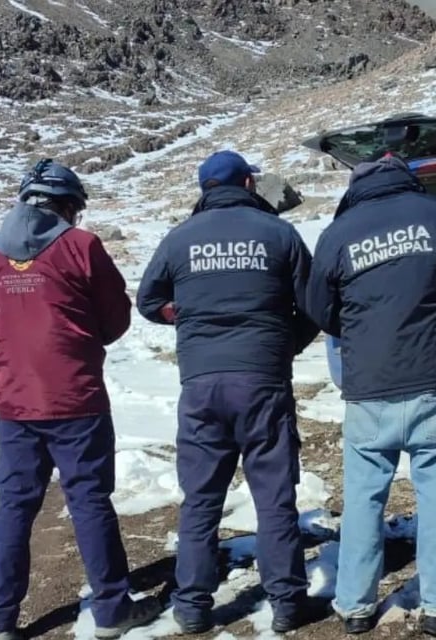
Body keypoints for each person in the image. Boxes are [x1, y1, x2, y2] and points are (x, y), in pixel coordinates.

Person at [306, 154, 436, 636]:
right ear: (409, 180)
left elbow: (318, 308)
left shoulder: (339, 232)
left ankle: (354, 605)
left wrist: (360, 325)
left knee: (363, 497)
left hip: (371, 387)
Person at [0, 159, 162, 640]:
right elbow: (115, 316)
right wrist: (77, 341)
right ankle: (112, 609)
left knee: (15, 505)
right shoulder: (81, 246)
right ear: (68, 206)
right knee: (90, 500)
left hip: (15, 403)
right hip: (76, 396)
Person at [136, 150, 322, 635]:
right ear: (246, 182)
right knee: (274, 496)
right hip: (262, 381)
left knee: (201, 499)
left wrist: (188, 320)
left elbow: (149, 301)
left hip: (200, 385)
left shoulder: (179, 239)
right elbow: (316, 305)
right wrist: (282, 347)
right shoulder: (279, 233)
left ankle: (193, 606)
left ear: (205, 189)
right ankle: (286, 603)